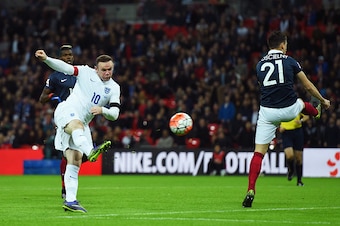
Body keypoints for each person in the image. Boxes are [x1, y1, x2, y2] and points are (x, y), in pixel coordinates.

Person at [242, 31, 331, 208]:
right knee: (303, 104)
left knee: (258, 153)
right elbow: (307, 85)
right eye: (286, 44)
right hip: (289, 109)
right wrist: (323, 100)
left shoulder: (259, 65)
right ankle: (317, 112)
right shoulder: (290, 61)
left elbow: (264, 86)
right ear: (282, 45)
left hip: (268, 113)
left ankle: (251, 189)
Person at [35, 49, 121, 213]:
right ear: (96, 69)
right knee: (77, 126)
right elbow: (63, 67)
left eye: (110, 69)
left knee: (74, 160)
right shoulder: (84, 72)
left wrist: (103, 110)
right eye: (104, 69)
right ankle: (91, 150)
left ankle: (70, 201)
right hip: (66, 110)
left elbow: (115, 114)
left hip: (82, 123)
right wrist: (46, 59)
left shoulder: (114, 88)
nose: (107, 72)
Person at [39, 44, 80, 199]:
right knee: (67, 153)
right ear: (59, 58)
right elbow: (42, 99)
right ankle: (65, 188)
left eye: (70, 55)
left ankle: (68, 188)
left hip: (80, 116)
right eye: (65, 55)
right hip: (64, 117)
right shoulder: (55, 76)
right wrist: (53, 96)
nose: (68, 57)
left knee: (77, 154)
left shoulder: (79, 73)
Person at [279, 113, 309, 186]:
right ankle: (291, 170)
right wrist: (279, 126)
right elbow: (275, 117)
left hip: (297, 131)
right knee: (290, 155)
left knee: (298, 158)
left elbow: (306, 116)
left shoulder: (298, 104)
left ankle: (299, 180)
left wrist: (300, 121)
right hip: (286, 132)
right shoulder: (281, 104)